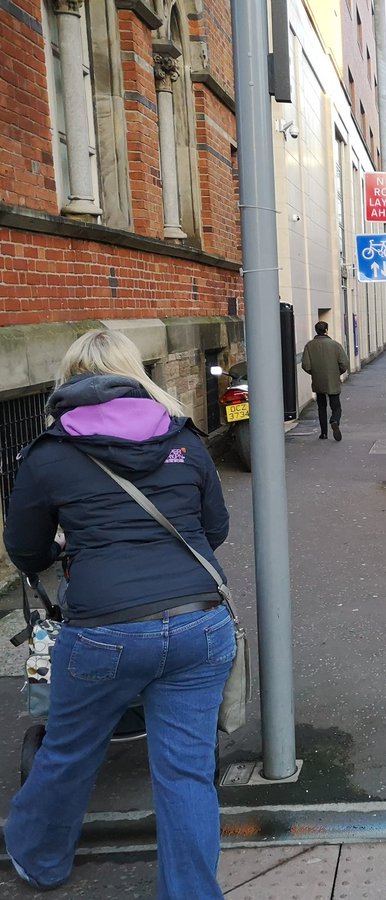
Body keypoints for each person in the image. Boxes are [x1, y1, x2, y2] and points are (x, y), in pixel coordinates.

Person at [3, 328, 233, 899]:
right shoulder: (183, 436)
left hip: (105, 630)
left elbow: (26, 548)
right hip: (199, 622)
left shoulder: (51, 453)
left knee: (70, 749)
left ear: (68, 381)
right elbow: (216, 529)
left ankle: (40, 860)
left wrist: (67, 553)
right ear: (137, 374)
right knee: (185, 772)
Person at [301, 321, 350, 441]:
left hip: (318, 380)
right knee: (336, 406)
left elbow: (305, 365)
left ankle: (323, 433)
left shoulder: (309, 346)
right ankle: (334, 420)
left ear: (316, 330)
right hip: (333, 380)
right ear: (326, 330)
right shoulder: (335, 345)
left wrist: (315, 373)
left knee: (321, 407)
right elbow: (345, 363)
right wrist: (337, 372)